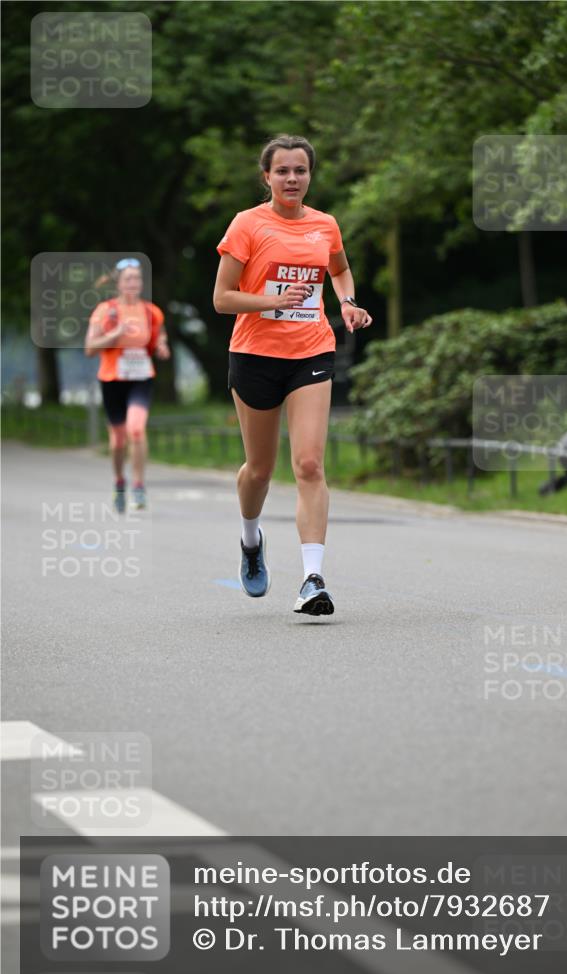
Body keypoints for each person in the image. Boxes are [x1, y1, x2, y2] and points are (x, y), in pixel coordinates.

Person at [213, 134, 372, 616]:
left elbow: (340, 270)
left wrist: (345, 302)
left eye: (300, 171)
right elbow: (222, 298)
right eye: (282, 171)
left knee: (308, 465)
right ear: (267, 177)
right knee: (259, 469)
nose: (292, 179)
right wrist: (270, 301)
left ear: (309, 176)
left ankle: (311, 579)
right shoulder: (247, 225)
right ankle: (249, 539)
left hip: (311, 350)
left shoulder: (325, 225)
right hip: (255, 354)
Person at [84, 259, 170, 513]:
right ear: (118, 283)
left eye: (137, 279)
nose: (134, 283)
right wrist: (115, 333)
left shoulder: (151, 312)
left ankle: (139, 486)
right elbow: (89, 348)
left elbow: (160, 334)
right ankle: (119, 482)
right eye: (129, 279)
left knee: (136, 429)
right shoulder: (105, 311)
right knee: (119, 439)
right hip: (112, 379)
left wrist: (163, 345)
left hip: (141, 377)